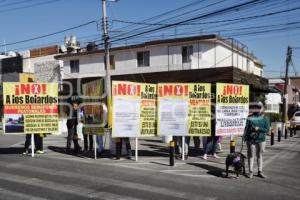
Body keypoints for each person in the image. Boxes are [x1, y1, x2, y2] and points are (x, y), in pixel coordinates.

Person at [243, 102, 269, 179]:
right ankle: (250, 172)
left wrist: (259, 129)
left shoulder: (265, 118)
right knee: (251, 155)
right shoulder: (249, 117)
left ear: (261, 108)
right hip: (251, 139)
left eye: (259, 107)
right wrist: (244, 137)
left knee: (259, 155)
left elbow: (267, 130)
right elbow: (246, 128)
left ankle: (260, 171)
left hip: (261, 139)